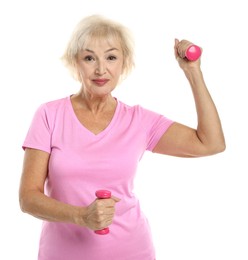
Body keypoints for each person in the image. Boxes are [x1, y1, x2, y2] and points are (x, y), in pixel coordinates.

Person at [19, 14, 225, 260]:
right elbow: (28, 198)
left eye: (111, 57)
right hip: (63, 253)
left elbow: (211, 143)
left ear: (123, 64)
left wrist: (193, 71)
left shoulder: (139, 121)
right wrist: (81, 216)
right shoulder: (49, 115)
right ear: (76, 63)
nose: (100, 69)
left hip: (131, 251)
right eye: (89, 58)